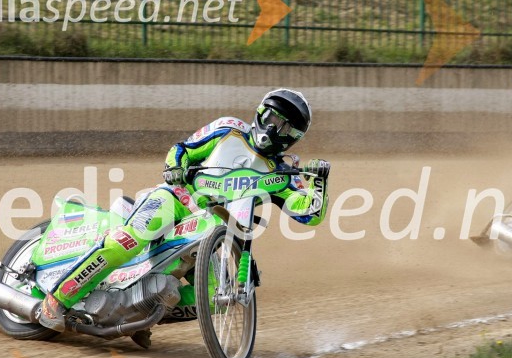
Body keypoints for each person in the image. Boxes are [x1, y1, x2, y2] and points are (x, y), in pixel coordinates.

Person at [38, 88, 330, 332]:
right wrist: (175, 169)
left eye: (285, 127)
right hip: (177, 200)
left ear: (295, 137)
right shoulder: (228, 129)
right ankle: (56, 299)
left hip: (216, 230)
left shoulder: (284, 173)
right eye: (271, 118)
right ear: (259, 113)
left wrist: (319, 184)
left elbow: (308, 213)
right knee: (126, 243)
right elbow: (183, 149)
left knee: (216, 299)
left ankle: (137, 316)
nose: (273, 129)